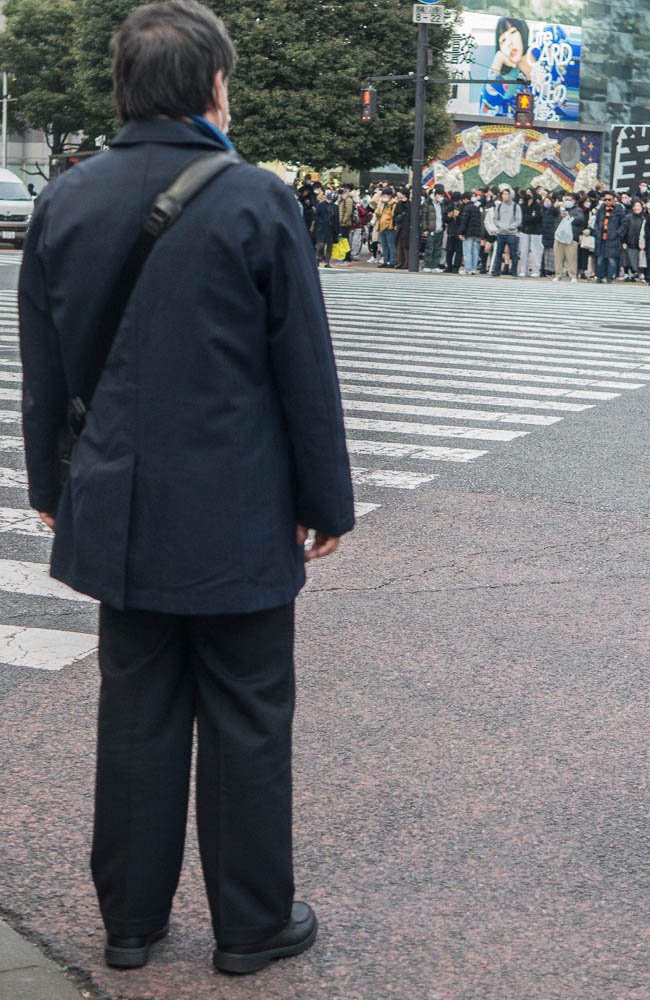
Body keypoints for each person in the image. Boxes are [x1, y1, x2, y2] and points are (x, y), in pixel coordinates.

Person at [18, 0, 354, 976]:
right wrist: (324, 500)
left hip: (119, 508)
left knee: (136, 711)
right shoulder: (255, 199)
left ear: (124, 86)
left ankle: (130, 921)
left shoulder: (64, 199)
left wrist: (52, 484)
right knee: (248, 715)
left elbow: (46, 368)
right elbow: (304, 367)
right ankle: (252, 924)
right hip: (239, 509)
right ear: (213, 86)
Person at [592, 191, 626, 283]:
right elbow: (596, 222)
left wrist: (617, 233)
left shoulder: (619, 210)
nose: (607, 201)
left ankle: (610, 277)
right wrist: (597, 231)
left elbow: (624, 224)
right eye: (605, 199)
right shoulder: (601, 209)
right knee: (600, 258)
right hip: (601, 238)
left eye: (609, 200)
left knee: (611, 259)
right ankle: (599, 277)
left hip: (613, 239)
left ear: (614, 200)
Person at [489, 187, 522, 278]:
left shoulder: (516, 206)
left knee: (513, 253)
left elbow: (518, 220)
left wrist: (511, 227)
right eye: (503, 194)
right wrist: (499, 226)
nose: (504, 196)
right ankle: (497, 271)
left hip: (512, 233)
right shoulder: (499, 206)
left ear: (510, 195)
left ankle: (514, 271)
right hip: (500, 233)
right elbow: (495, 218)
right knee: (499, 253)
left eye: (506, 194)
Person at [421, 186, 447, 272]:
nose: (441, 197)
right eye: (439, 195)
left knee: (437, 249)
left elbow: (443, 216)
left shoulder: (442, 204)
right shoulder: (427, 203)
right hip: (431, 229)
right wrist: (425, 229)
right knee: (429, 248)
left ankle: (435, 266)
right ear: (435, 194)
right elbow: (424, 217)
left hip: (440, 229)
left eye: (442, 195)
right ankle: (427, 265)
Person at [314, 190, 338, 268]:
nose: (329, 195)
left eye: (330, 193)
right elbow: (316, 216)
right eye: (327, 193)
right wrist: (321, 221)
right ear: (324, 195)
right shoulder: (320, 205)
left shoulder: (335, 206)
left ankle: (327, 262)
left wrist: (338, 230)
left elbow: (337, 219)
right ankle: (317, 258)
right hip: (322, 228)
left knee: (330, 245)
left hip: (331, 228)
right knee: (321, 244)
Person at [374, 188, 397, 268]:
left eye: (385, 195)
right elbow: (377, 211)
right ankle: (385, 261)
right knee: (384, 245)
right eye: (382, 195)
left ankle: (392, 261)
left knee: (391, 245)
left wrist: (392, 225)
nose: (383, 197)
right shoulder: (382, 203)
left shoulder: (393, 203)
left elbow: (393, 215)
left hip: (389, 226)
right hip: (381, 226)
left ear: (390, 195)